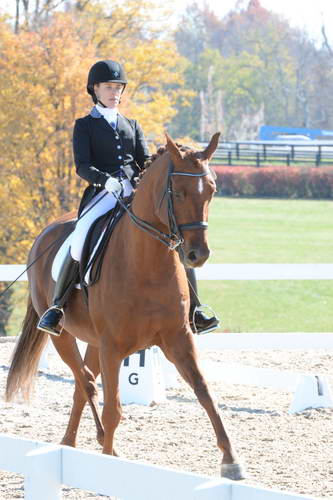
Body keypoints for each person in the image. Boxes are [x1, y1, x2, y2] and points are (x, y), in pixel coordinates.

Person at [37, 60, 219, 336]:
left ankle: (195, 308)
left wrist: (141, 182)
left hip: (134, 193)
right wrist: (104, 180)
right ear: (95, 89)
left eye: (118, 87)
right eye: (109, 87)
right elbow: (82, 166)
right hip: (102, 194)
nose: (114, 92)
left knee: (175, 236)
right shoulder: (85, 125)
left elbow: (145, 161)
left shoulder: (131, 125)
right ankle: (58, 306)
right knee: (80, 238)